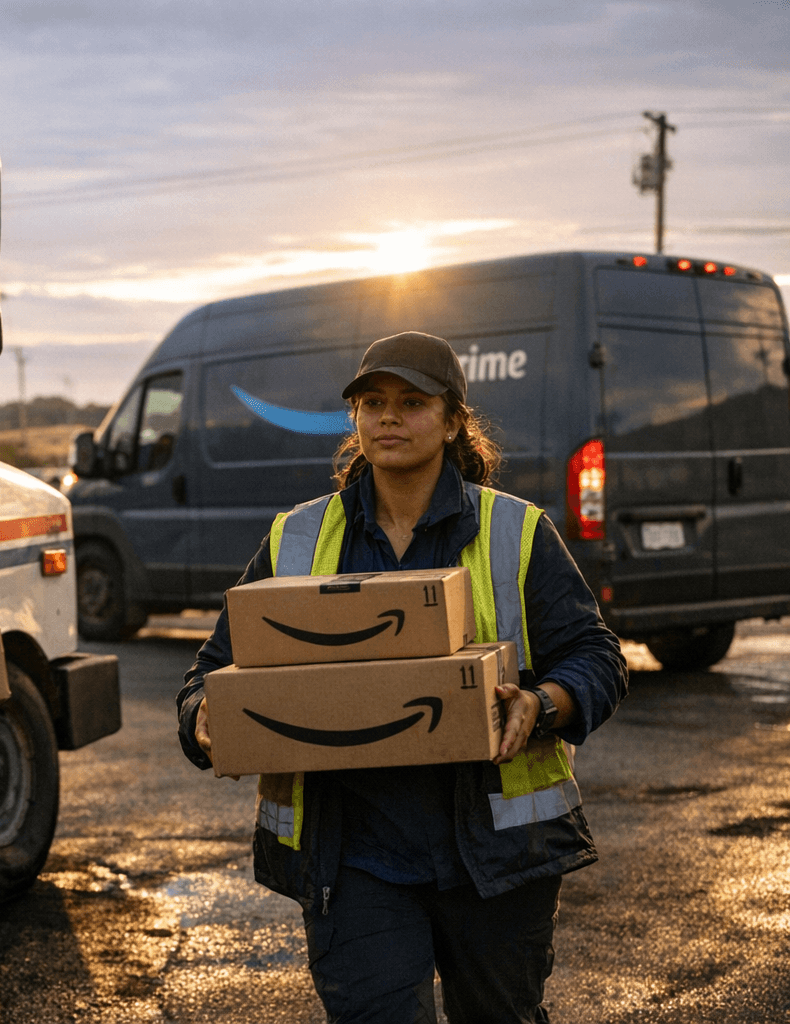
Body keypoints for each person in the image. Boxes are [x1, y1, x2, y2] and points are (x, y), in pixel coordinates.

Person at [175, 331, 627, 1024]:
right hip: (354, 862)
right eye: (372, 402)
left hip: (495, 861)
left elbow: (597, 658)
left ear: (452, 423)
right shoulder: (298, 537)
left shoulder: (517, 531)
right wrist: (204, 715)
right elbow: (212, 669)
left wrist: (540, 703)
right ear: (355, 419)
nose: (389, 417)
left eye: (412, 403)